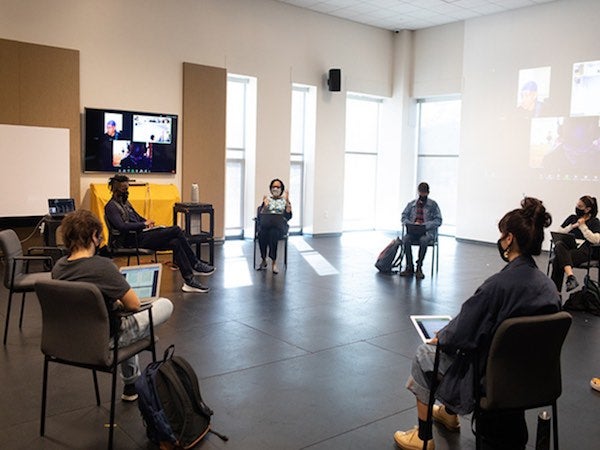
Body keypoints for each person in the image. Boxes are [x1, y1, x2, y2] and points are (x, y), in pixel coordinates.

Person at [393, 197, 561, 450]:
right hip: (535, 378)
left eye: (502, 234)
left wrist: (442, 336)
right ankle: (448, 414)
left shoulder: (497, 286)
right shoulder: (549, 287)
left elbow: (462, 334)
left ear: (509, 239)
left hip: (490, 377)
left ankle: (423, 438)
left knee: (425, 354)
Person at [52, 209, 174, 402]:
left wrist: (112, 301)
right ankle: (133, 382)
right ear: (94, 236)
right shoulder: (102, 267)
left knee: (121, 314)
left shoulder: (58, 268)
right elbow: (134, 304)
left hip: (69, 341)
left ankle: (131, 386)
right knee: (163, 305)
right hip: (104, 341)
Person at [104, 174, 214, 293]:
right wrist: (143, 224)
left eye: (127, 188)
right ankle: (195, 264)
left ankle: (189, 280)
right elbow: (122, 227)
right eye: (124, 189)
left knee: (175, 242)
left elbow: (137, 218)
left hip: (141, 235)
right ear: (116, 189)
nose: (127, 191)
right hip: (131, 241)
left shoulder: (125, 203)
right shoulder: (111, 207)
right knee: (176, 230)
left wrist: (147, 222)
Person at [550, 195, 600, 292]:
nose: (577, 208)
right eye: (577, 205)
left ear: (588, 209)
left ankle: (556, 292)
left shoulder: (594, 221)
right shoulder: (572, 218)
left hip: (583, 251)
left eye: (580, 206)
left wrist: (582, 226)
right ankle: (570, 277)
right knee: (559, 245)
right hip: (569, 248)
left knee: (558, 259)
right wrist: (572, 226)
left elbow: (596, 239)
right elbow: (559, 232)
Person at [400, 182, 442, 279]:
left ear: (428, 193)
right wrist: (411, 224)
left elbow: (438, 220)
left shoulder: (433, 205)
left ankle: (419, 266)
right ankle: (409, 266)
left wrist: (425, 225)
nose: (422, 195)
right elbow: (403, 216)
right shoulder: (411, 205)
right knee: (406, 240)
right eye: (421, 192)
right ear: (418, 192)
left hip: (427, 232)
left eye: (424, 193)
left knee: (424, 240)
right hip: (413, 231)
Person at [257, 178, 292, 274]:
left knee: (273, 234)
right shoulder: (267, 200)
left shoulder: (285, 201)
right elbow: (260, 216)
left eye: (278, 187)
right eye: (273, 187)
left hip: (279, 228)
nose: (275, 189)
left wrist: (288, 208)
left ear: (281, 189)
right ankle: (263, 259)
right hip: (266, 226)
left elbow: (288, 217)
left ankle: (273, 262)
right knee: (261, 234)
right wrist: (265, 206)